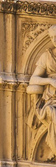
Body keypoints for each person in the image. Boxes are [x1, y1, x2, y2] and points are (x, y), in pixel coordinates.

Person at [29, 25, 56, 159]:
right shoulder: (46, 56)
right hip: (51, 100)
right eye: (52, 37)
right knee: (53, 112)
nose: (54, 40)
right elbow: (34, 79)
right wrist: (50, 81)